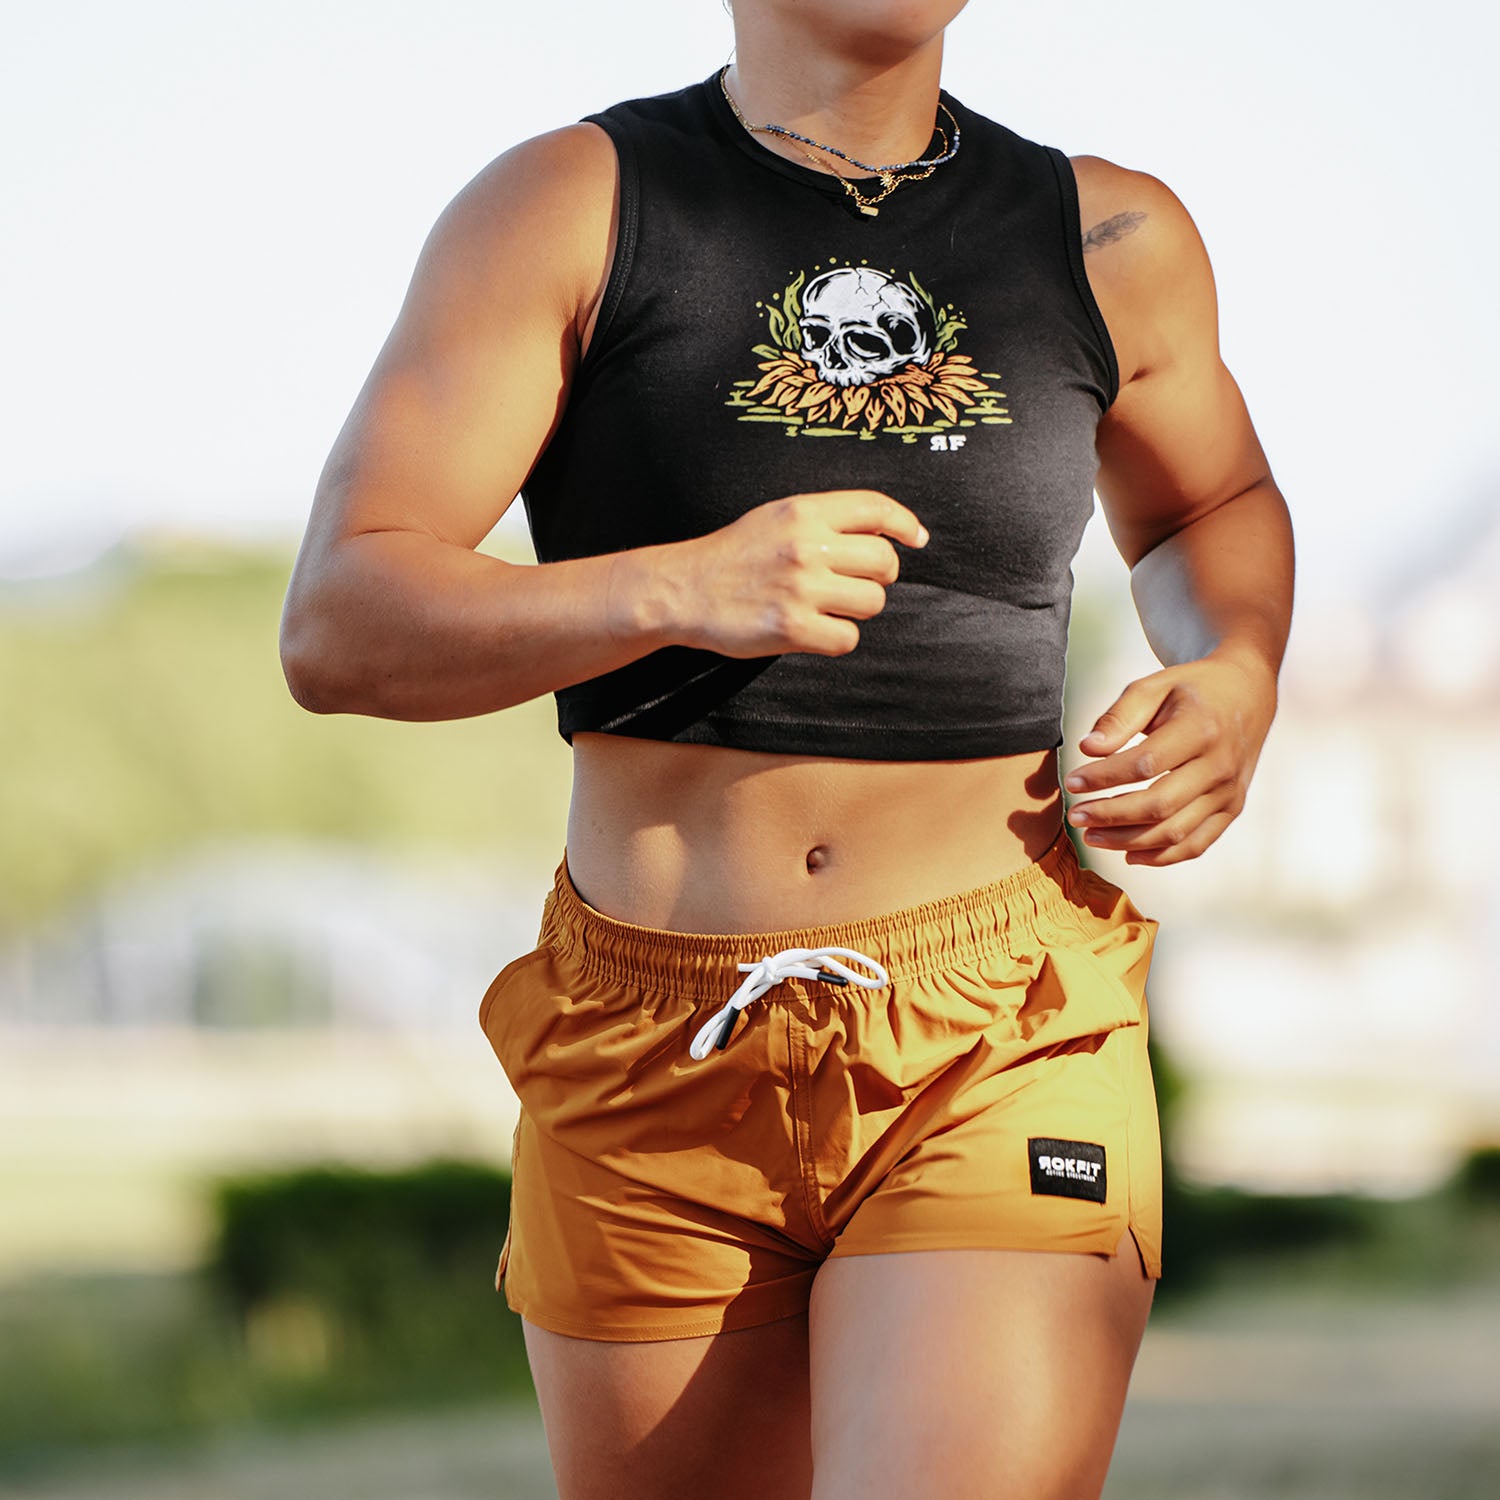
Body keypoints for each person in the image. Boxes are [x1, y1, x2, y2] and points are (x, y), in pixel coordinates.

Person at [280, 2, 1294, 1495]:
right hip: (652, 1043)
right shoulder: (572, 206)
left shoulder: (1110, 235)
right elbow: (343, 624)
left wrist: (1237, 671)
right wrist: (674, 586)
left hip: (1000, 1025)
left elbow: (1213, 505)